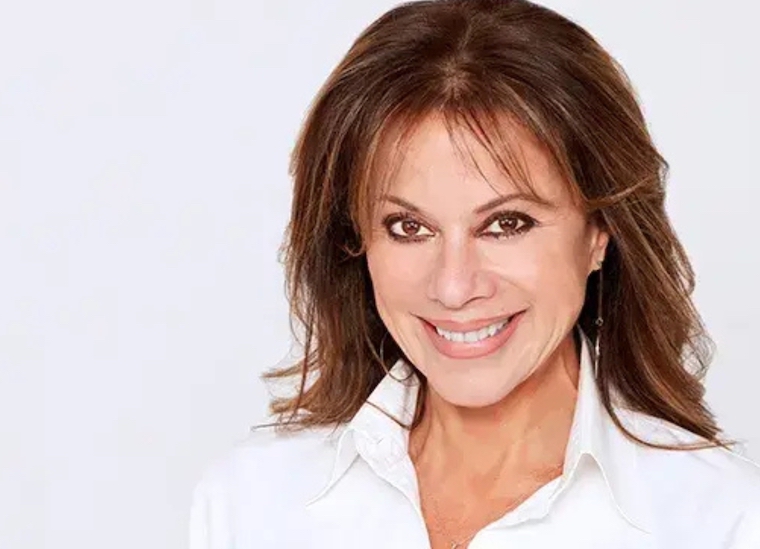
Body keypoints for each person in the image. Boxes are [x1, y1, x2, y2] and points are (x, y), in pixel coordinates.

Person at [189, 0, 760, 547]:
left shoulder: (723, 523)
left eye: (507, 224)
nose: (454, 286)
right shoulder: (250, 503)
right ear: (355, 241)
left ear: (600, 232)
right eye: (409, 227)